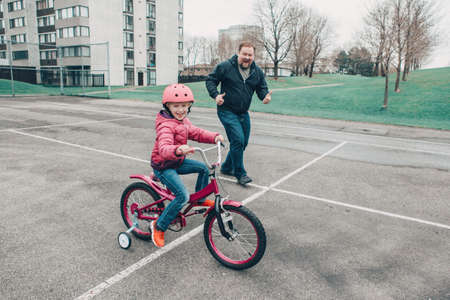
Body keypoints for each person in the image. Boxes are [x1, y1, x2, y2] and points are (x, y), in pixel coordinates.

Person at [150, 83, 224, 248]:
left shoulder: (183, 121)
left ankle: (200, 200)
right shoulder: (166, 125)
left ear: (189, 106)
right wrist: (177, 149)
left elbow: (196, 132)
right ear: (167, 106)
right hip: (164, 164)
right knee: (182, 196)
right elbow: (163, 148)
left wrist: (215, 137)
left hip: (177, 161)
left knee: (204, 168)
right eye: (176, 106)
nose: (181, 109)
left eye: (184, 105)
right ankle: (159, 226)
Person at [206, 41, 272, 185]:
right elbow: (211, 80)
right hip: (226, 110)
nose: (247, 57)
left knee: (243, 143)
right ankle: (240, 173)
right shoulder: (225, 67)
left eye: (250, 54)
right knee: (237, 140)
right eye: (244, 54)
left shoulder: (257, 71)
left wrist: (265, 97)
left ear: (253, 56)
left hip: (243, 113)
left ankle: (227, 166)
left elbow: (262, 88)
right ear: (238, 53)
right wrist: (216, 95)